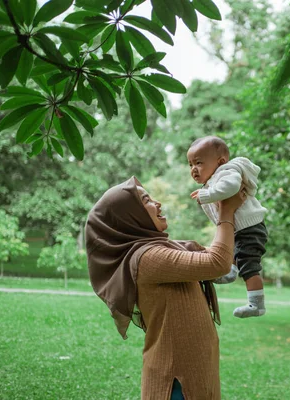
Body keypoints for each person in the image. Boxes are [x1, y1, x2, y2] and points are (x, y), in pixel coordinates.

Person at [85, 176, 245, 400]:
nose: (157, 203)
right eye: (146, 201)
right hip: (175, 377)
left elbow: (222, 258)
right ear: (130, 216)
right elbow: (216, 263)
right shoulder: (147, 258)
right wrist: (225, 213)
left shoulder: (165, 248)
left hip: (194, 368)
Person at [187, 136, 268, 319]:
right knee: (229, 250)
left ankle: (257, 304)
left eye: (198, 163)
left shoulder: (227, 171)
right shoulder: (214, 179)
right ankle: (229, 271)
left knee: (248, 264)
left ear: (220, 161)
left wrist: (209, 195)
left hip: (250, 229)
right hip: (239, 229)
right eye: (190, 164)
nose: (193, 169)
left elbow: (231, 187)